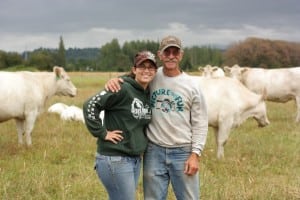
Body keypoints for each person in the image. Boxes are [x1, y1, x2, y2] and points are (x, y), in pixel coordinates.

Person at [105, 35, 208, 200]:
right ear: (160, 55)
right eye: (167, 52)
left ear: (181, 55)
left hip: (183, 151)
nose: (171, 56)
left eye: (175, 52)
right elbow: (131, 78)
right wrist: (115, 80)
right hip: (154, 150)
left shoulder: (192, 85)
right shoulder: (152, 75)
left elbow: (200, 123)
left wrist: (195, 154)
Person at [83, 50, 158, 200]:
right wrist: (102, 133)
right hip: (115, 158)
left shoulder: (147, 93)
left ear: (155, 71)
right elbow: (90, 105)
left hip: (134, 159)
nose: (146, 70)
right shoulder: (122, 88)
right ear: (134, 69)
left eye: (151, 67)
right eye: (142, 67)